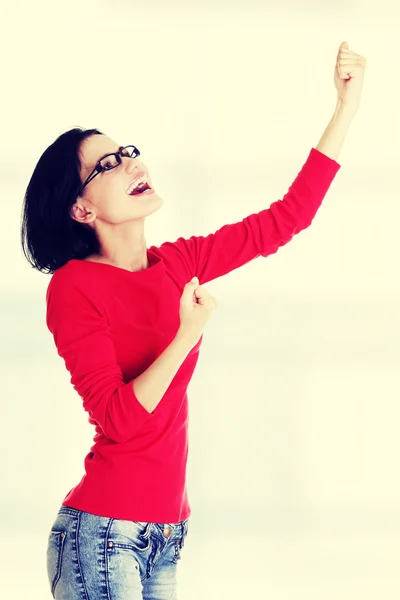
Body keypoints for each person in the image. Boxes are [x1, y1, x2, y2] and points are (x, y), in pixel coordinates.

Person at [20, 41, 365, 600]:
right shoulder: (73, 287)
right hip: (105, 535)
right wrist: (188, 333)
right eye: (108, 164)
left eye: (127, 151)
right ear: (80, 210)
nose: (133, 163)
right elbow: (119, 419)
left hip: (166, 533)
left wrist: (345, 109)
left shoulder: (177, 264)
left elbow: (285, 219)